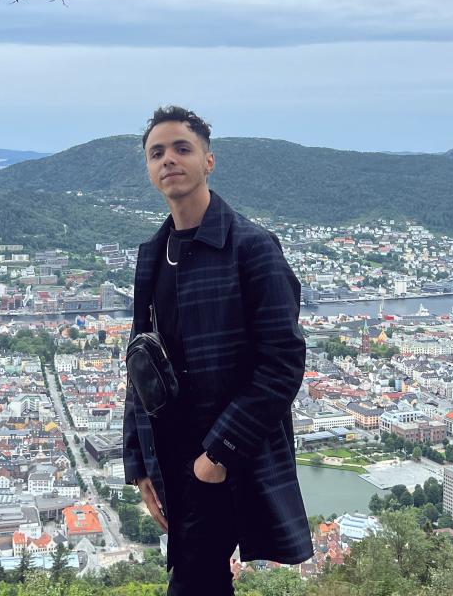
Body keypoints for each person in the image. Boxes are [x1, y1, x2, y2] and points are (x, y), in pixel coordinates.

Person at [122, 105, 313, 595]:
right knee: (197, 577)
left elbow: (283, 363)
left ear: (209, 161)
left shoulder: (251, 247)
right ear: (148, 169)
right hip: (169, 450)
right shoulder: (152, 253)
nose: (169, 160)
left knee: (192, 580)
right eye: (157, 153)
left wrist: (218, 454)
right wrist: (139, 462)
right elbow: (140, 364)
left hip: (227, 454)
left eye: (182, 148)